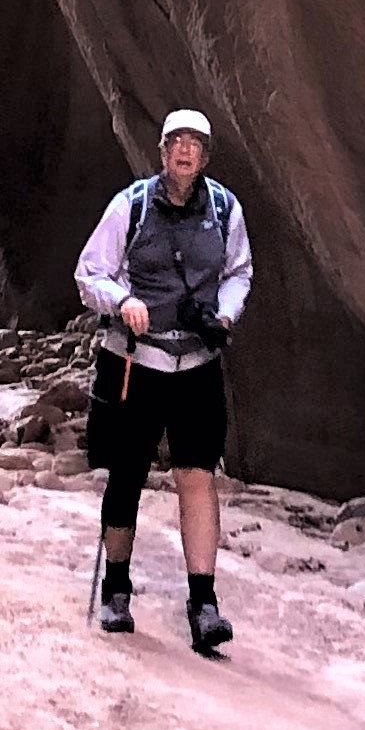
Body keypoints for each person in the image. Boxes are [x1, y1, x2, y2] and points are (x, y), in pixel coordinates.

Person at [74, 109, 251, 653]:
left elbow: (238, 271)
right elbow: (90, 271)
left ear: (206, 156)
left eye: (195, 143)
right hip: (136, 360)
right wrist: (124, 301)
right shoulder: (129, 206)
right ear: (161, 150)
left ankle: (204, 603)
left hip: (195, 363)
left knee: (197, 474)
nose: (184, 150)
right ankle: (116, 589)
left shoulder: (224, 210)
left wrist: (224, 314)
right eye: (176, 141)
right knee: (126, 474)